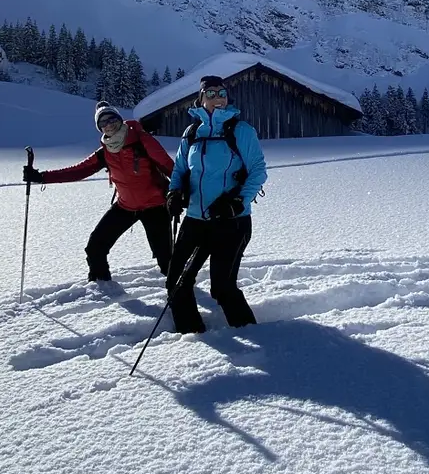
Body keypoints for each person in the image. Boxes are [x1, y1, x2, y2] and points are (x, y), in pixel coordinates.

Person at [24, 102, 176, 282]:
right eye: (103, 122)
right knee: (95, 247)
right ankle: (102, 285)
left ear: (120, 119)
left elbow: (169, 167)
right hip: (125, 206)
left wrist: (181, 193)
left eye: (112, 119)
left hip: (155, 206)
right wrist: (42, 177)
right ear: (99, 128)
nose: (109, 124)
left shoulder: (141, 140)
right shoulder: (105, 151)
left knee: (165, 256)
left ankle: (178, 291)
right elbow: (78, 170)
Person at [163, 75, 268, 333]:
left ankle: (254, 336)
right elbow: (178, 170)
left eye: (222, 93)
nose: (218, 98)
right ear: (201, 99)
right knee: (176, 281)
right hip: (195, 220)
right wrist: (174, 193)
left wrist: (237, 202)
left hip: (231, 222)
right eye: (211, 93)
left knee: (222, 287)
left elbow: (258, 171)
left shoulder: (241, 131)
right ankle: (192, 335)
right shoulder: (191, 134)